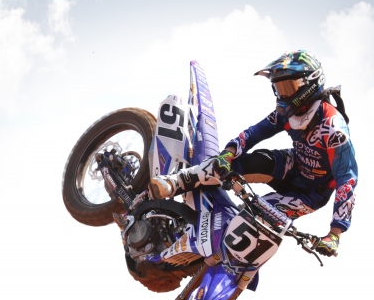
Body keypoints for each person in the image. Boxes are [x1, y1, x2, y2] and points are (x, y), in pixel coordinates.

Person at [149, 50, 358, 257]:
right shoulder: (288, 112)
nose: (283, 95)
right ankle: (176, 181)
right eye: (279, 88)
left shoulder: (334, 128)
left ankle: (213, 247)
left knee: (252, 220)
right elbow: (254, 133)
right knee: (240, 163)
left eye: (288, 87)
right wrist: (228, 154)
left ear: (310, 85)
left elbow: (347, 179)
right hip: (294, 164)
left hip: (310, 194)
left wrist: (335, 234)